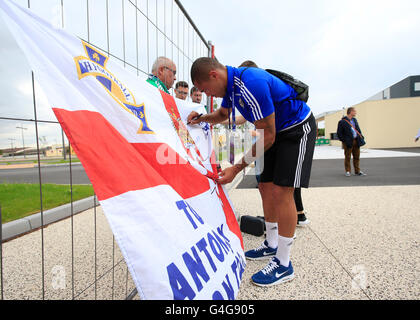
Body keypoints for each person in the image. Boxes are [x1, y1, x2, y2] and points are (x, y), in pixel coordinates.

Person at [187, 58, 316, 287]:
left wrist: (236, 168)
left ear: (214, 75)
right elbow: (222, 115)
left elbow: (268, 135)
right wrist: (201, 119)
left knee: (282, 191)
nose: (210, 95)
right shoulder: (231, 86)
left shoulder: (250, 83)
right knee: (265, 187)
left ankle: (284, 264)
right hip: (276, 131)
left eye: (206, 89)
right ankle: (272, 243)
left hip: (296, 128)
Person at [337, 107, 366, 177]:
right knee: (348, 157)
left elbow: (358, 129)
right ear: (351, 112)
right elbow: (339, 133)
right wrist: (344, 140)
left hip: (356, 140)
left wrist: (361, 136)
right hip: (348, 142)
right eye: (354, 111)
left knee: (357, 157)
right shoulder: (342, 121)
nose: (356, 113)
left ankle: (357, 171)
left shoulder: (355, 120)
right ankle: (348, 171)